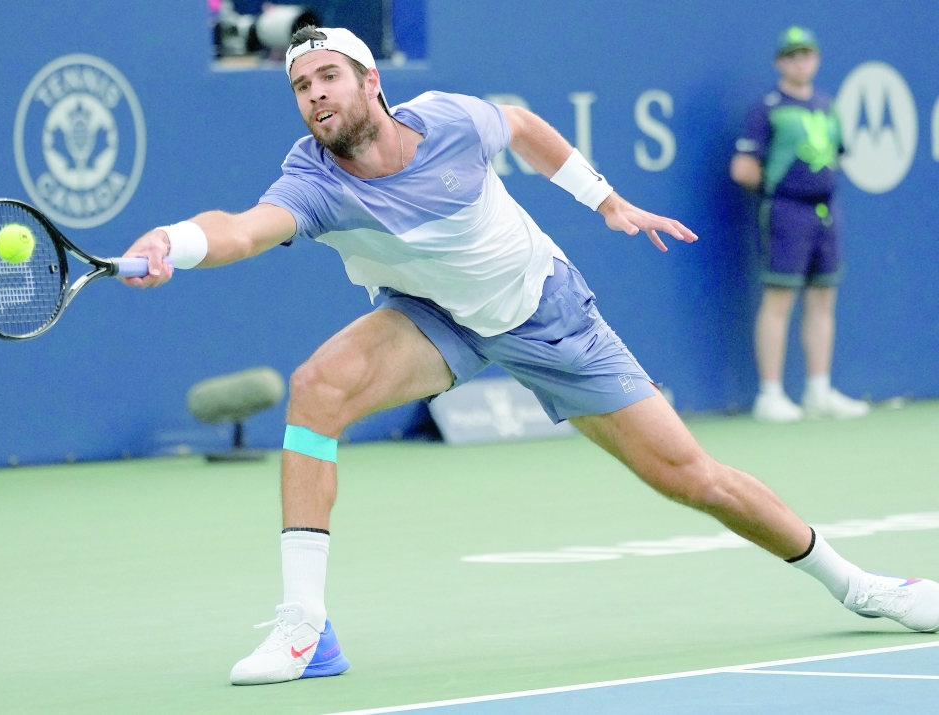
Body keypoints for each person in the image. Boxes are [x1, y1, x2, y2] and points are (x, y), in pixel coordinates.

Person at [122, 26, 938, 685]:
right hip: (434, 316)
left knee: (694, 477)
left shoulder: (449, 120)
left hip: (545, 313)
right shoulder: (314, 179)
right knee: (316, 391)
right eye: (302, 87)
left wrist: (606, 200)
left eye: (329, 76)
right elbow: (241, 228)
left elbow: (520, 126)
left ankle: (859, 584)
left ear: (372, 82)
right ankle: (306, 630)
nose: (315, 96)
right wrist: (177, 242)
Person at [731, 27, 870, 423]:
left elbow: (834, 156)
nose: (799, 61)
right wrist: (783, 190)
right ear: (780, 63)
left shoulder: (827, 106)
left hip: (826, 212)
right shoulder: (767, 107)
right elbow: (743, 168)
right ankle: (770, 394)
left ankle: (818, 390)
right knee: (779, 299)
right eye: (791, 55)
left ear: (817, 60)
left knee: (823, 299)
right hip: (785, 213)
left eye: (806, 54)